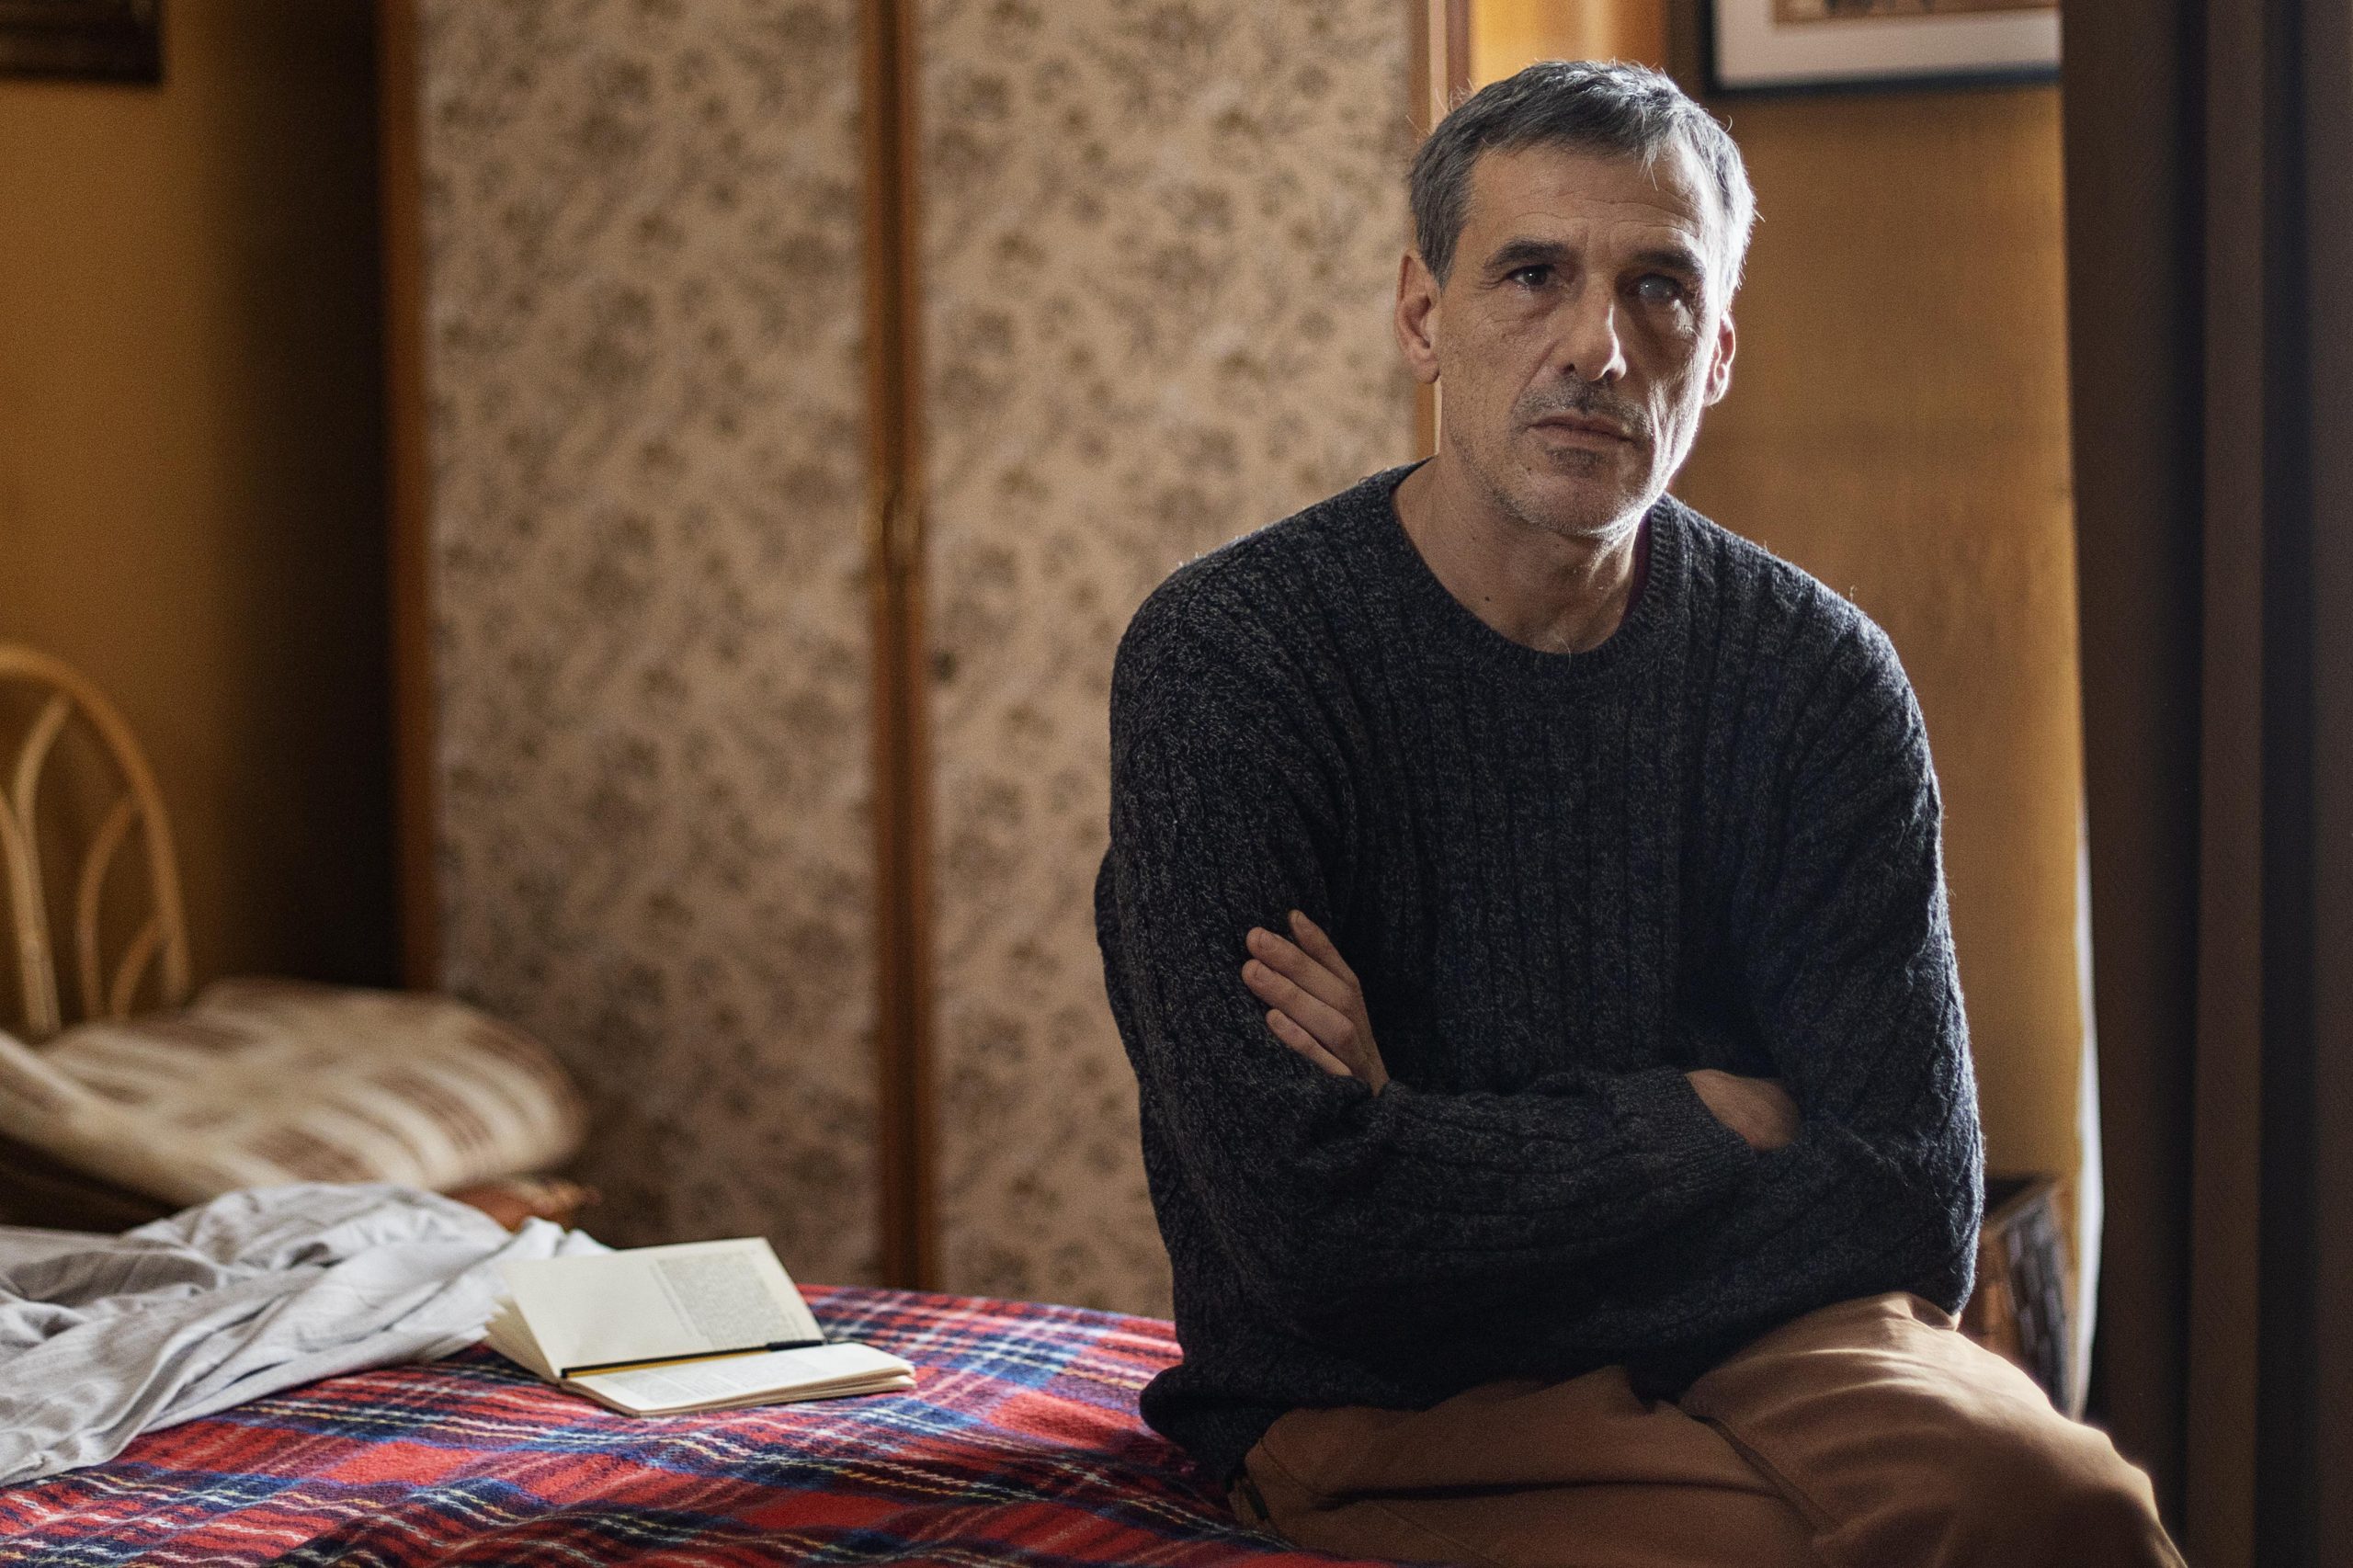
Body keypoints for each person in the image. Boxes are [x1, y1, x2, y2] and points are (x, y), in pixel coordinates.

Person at [1093, 60, 2183, 1568]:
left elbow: (1911, 1202)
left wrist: (1423, 1135)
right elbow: (1303, 1236)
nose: (1598, 347)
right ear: (1423, 314)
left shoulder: (1816, 675)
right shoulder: (1235, 658)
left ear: (1717, 351)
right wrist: (1690, 1121)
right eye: (1532, 274)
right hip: (1376, 1382)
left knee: (2078, 1510)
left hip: (1773, 1340)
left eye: (1660, 289)